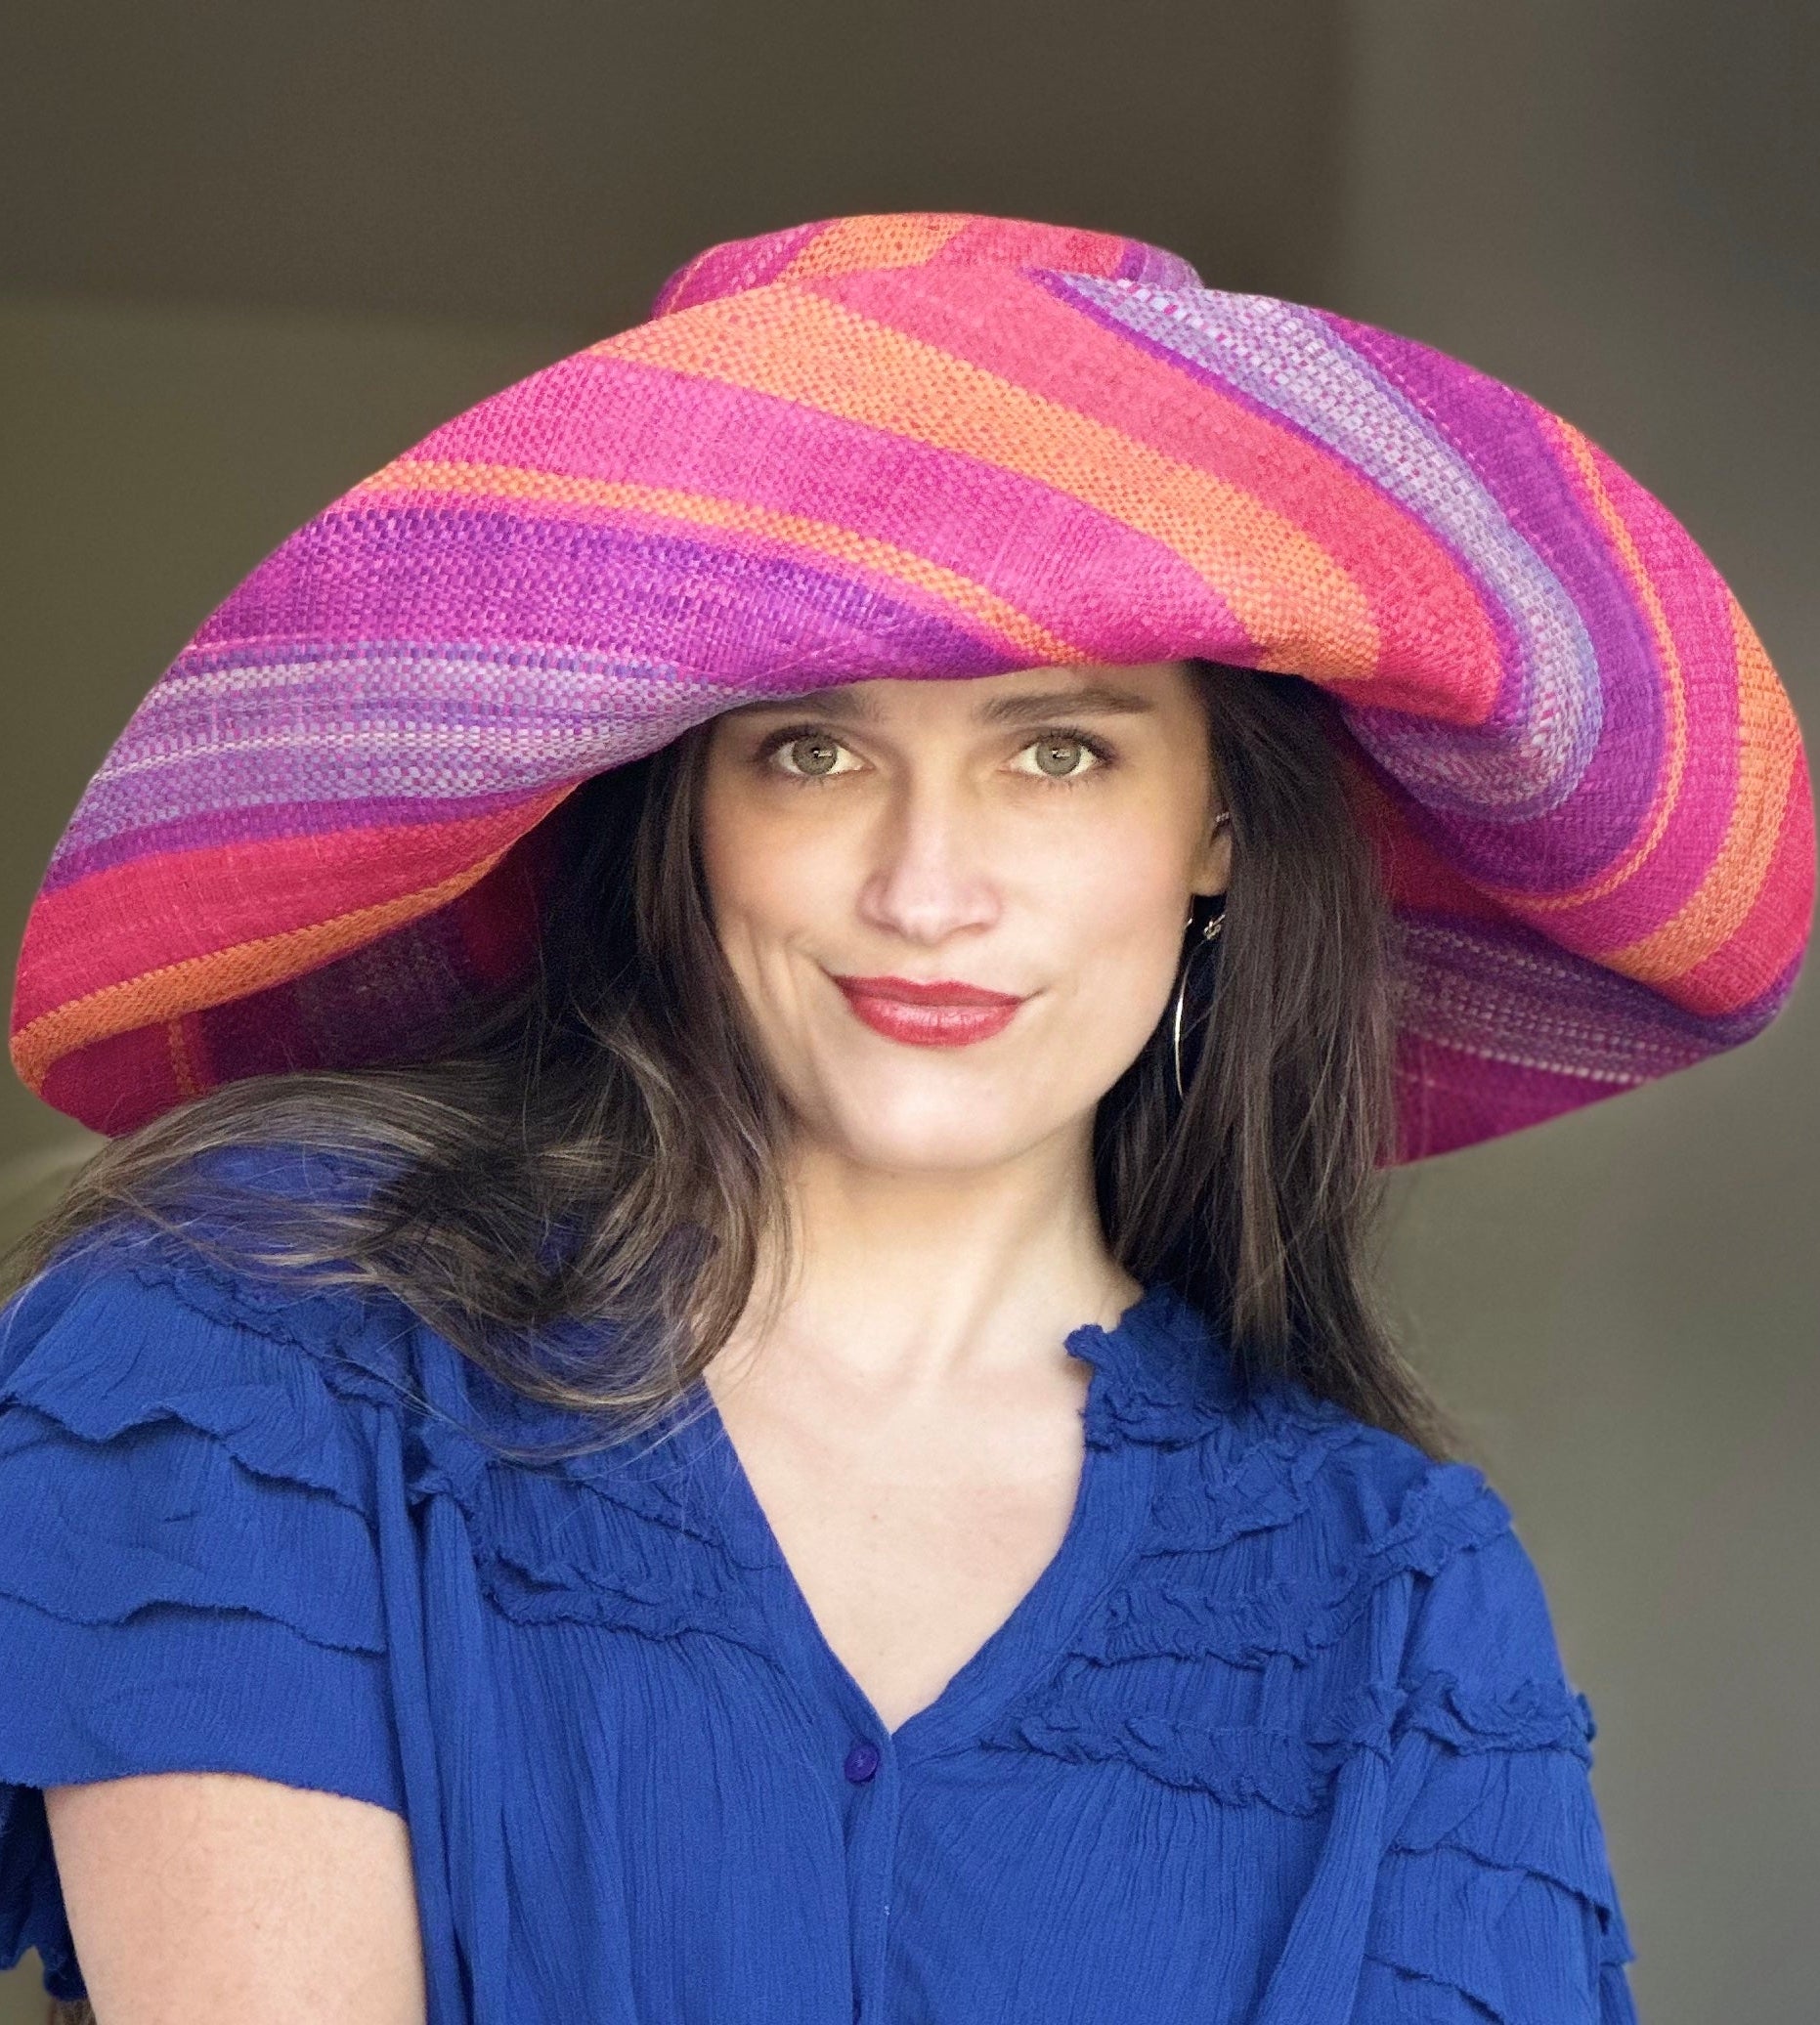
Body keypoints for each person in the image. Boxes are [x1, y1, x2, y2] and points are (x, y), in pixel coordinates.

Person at [0, 212, 1810, 2024]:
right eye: (812, 752)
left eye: (1057, 753)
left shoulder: (1396, 1595)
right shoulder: (251, 1348)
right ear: (680, 811)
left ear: (1215, 830)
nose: (926, 889)